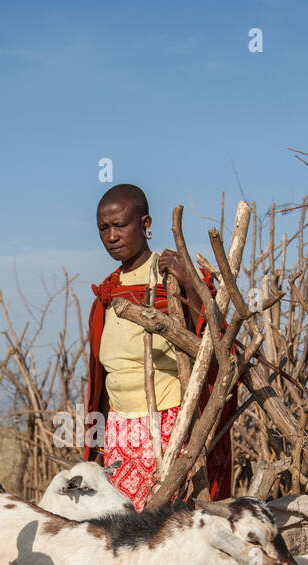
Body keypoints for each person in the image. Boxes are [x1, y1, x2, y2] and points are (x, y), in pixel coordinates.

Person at [84, 184, 234, 509]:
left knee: (165, 526)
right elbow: (102, 382)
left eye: (120, 225)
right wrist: (98, 441)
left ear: (145, 224)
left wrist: (191, 284)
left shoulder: (170, 277)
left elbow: (213, 342)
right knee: (122, 529)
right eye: (103, 228)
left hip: (167, 428)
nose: (111, 236)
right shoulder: (107, 293)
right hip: (118, 432)